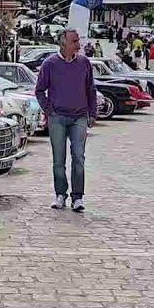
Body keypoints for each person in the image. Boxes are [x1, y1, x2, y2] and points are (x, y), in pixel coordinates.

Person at [34, 29, 96, 213]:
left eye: (78, 41)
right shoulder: (50, 64)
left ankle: (78, 197)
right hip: (58, 118)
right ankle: (60, 194)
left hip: (79, 117)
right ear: (63, 44)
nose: (78, 44)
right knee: (58, 159)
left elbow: (90, 89)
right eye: (74, 41)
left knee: (78, 157)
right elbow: (39, 90)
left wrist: (92, 113)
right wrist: (49, 110)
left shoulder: (84, 62)